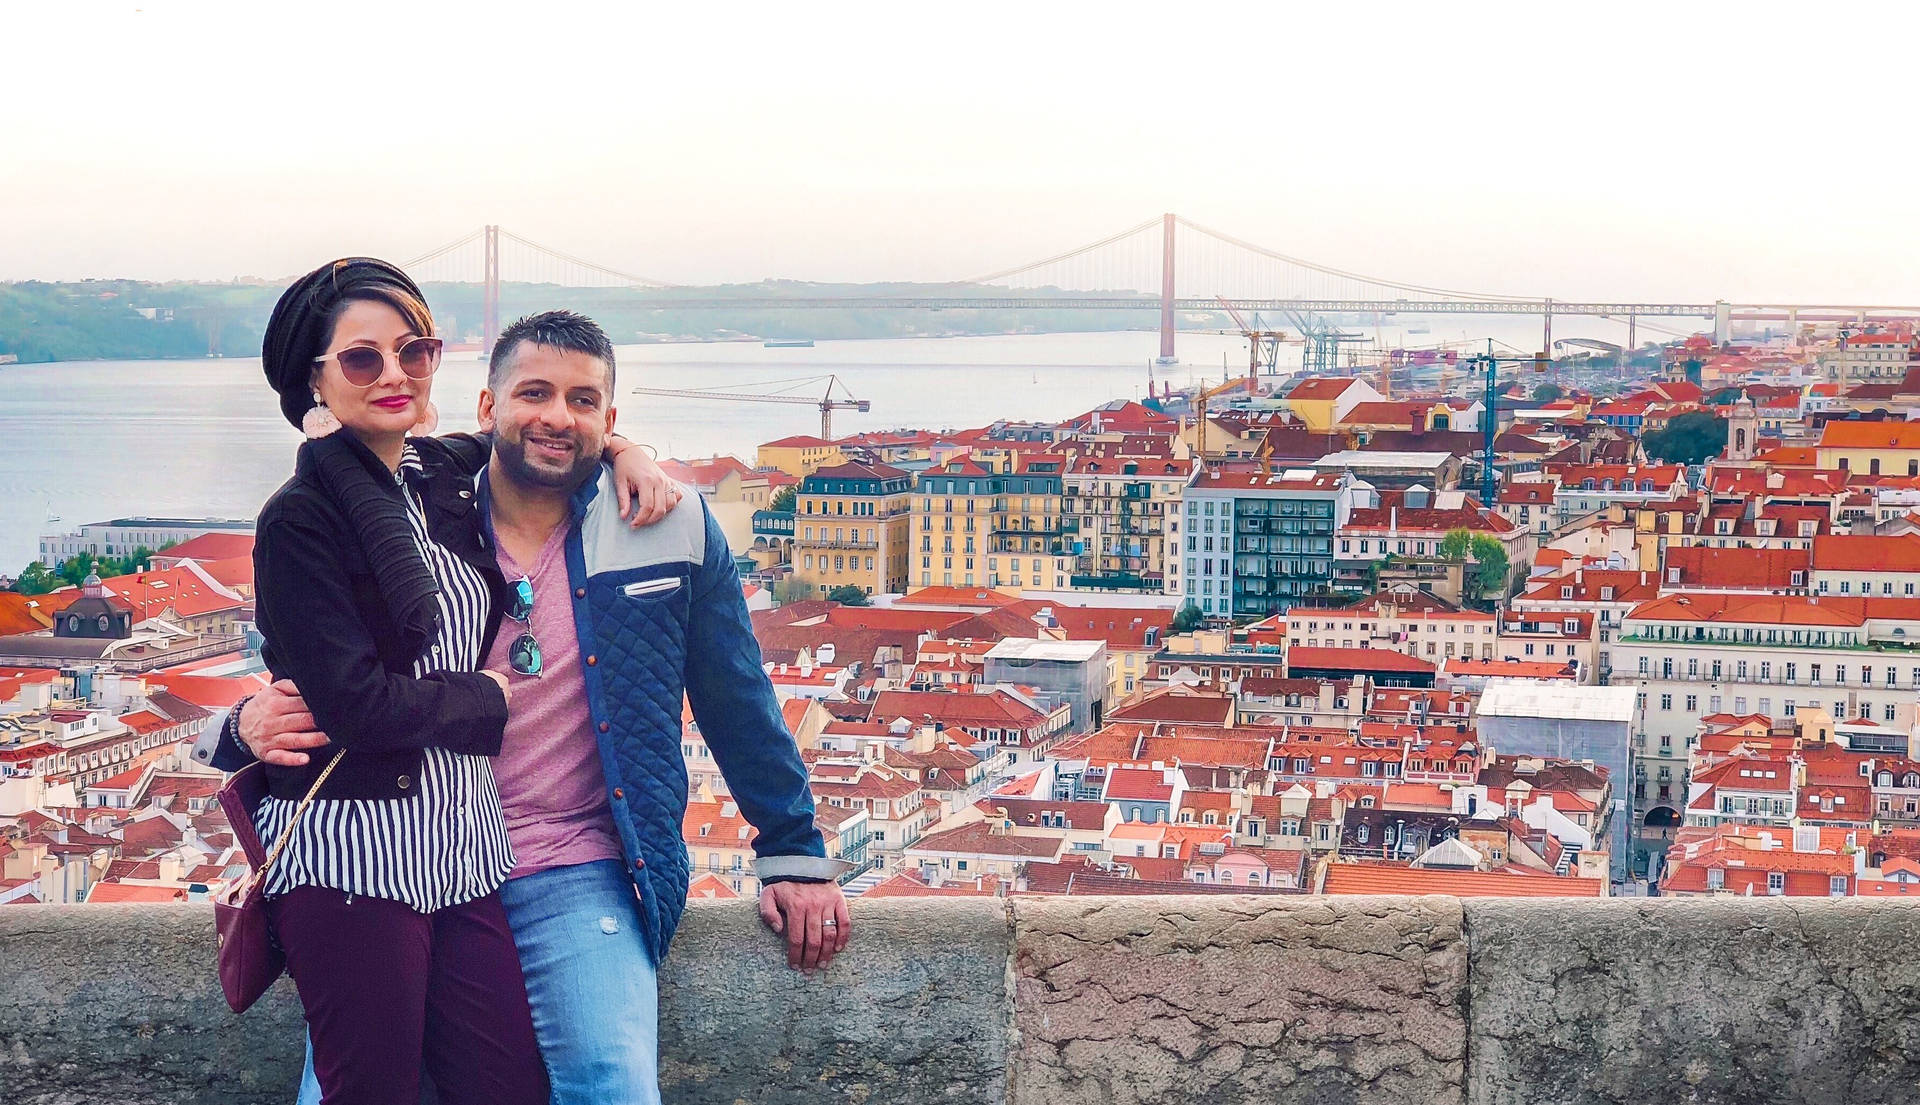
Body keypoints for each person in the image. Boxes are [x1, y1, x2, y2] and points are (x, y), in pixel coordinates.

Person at [200, 310, 853, 1105]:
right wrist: (236, 727)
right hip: (415, 850)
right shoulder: (417, 506)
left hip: (574, 860)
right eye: (533, 393)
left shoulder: (667, 523)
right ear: (486, 408)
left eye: (585, 402)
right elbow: (324, 656)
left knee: (611, 1084)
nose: (556, 415)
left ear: (610, 419)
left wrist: (792, 849)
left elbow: (735, 694)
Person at [219, 261, 676, 1105]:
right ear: (312, 378)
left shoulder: (427, 477)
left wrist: (621, 445)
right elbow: (354, 706)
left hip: (462, 853)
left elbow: (535, 433)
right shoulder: (301, 517)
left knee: (504, 1085)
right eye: (362, 360)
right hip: (357, 855)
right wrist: (487, 701)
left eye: (415, 350)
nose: (395, 374)